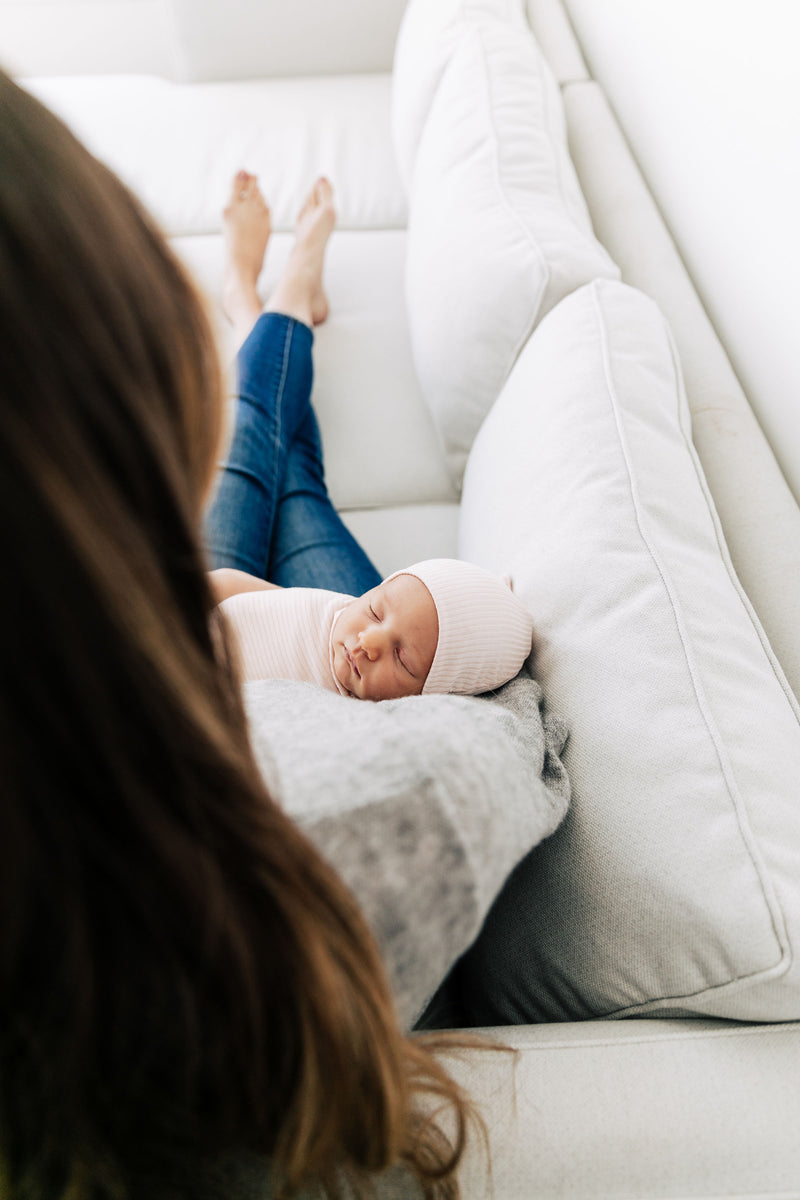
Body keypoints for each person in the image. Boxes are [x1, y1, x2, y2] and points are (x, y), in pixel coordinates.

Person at [0, 70, 480, 1199]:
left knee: (264, 470)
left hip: (211, 622)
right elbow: (484, 742)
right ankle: (269, 310)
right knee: (273, 472)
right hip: (272, 663)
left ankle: (263, 308)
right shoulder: (257, 936)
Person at [205, 173, 534, 703]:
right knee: (291, 478)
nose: (371, 641)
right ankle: (284, 286)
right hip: (281, 616)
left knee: (259, 443)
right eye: (378, 608)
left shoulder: (402, 678)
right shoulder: (359, 620)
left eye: (405, 658)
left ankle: (261, 305)